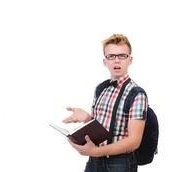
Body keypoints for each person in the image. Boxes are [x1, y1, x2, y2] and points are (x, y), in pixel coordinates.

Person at [63, 34, 148, 172]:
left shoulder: (136, 94)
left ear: (130, 60)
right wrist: (87, 119)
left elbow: (134, 141)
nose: (116, 61)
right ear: (105, 62)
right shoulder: (100, 88)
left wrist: (96, 152)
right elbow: (101, 128)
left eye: (122, 56)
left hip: (120, 164)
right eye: (111, 56)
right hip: (94, 161)